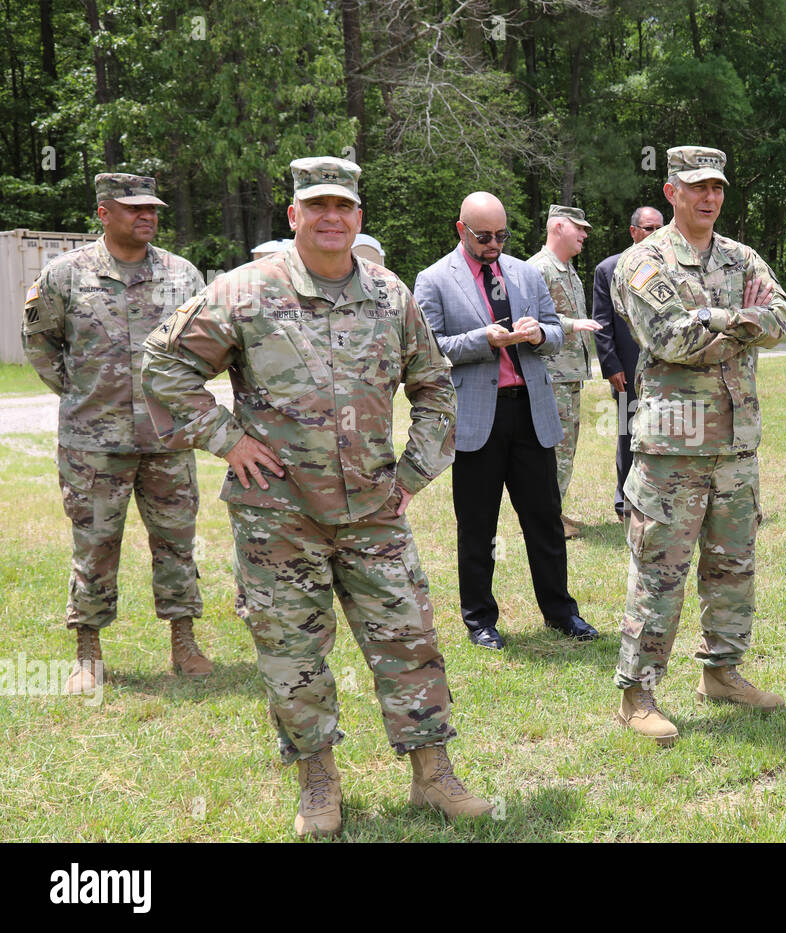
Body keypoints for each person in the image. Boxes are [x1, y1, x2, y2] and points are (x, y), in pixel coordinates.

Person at [142, 157, 491, 837]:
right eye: (317, 205)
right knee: (292, 658)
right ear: (294, 215)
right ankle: (318, 785)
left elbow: (434, 387)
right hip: (280, 520)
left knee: (410, 641)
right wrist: (226, 439)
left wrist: (412, 475)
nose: (332, 218)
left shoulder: (391, 297)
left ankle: (433, 775)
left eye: (345, 207)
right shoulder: (245, 292)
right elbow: (164, 362)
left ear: (359, 217)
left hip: (373, 512)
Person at [610, 146, 786, 747]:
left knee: (732, 569)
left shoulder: (741, 257)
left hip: (736, 447)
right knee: (660, 573)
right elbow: (667, 339)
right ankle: (637, 693)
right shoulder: (642, 263)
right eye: (696, 188)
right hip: (673, 451)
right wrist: (739, 323)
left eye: (716, 187)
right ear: (671, 192)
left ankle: (722, 672)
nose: (708, 198)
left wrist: (712, 320)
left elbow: (781, 319)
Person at [22, 172, 210, 696]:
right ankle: (88, 651)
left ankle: (185, 642)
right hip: (92, 444)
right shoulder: (65, 275)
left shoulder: (183, 276)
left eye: (151, 208)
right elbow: (40, 343)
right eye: (133, 209)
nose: (146, 216)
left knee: (177, 542)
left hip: (166, 438)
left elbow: (204, 346)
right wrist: (86, 395)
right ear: (104, 213)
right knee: (95, 544)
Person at [414, 191, 597, 650]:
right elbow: (429, 350)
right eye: (484, 237)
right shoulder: (434, 279)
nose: (494, 244)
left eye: (501, 235)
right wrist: (483, 339)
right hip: (478, 417)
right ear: (461, 230)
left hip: (530, 412)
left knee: (546, 521)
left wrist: (541, 334)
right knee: (477, 525)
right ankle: (479, 620)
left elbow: (557, 331)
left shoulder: (524, 272)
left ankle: (561, 613)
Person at [526, 205, 603, 538]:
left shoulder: (567, 270)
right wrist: (573, 324)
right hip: (551, 375)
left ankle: (551, 512)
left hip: (568, 375)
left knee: (564, 451)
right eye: (579, 228)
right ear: (557, 227)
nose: (585, 234)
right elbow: (528, 319)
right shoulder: (537, 269)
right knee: (553, 450)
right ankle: (546, 519)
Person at [591, 206, 663, 520]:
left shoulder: (673, 267)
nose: (655, 234)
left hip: (667, 369)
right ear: (633, 231)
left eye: (660, 227)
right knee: (628, 433)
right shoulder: (608, 269)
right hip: (628, 369)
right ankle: (625, 500)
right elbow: (602, 323)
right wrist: (611, 366)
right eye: (648, 228)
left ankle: (660, 496)